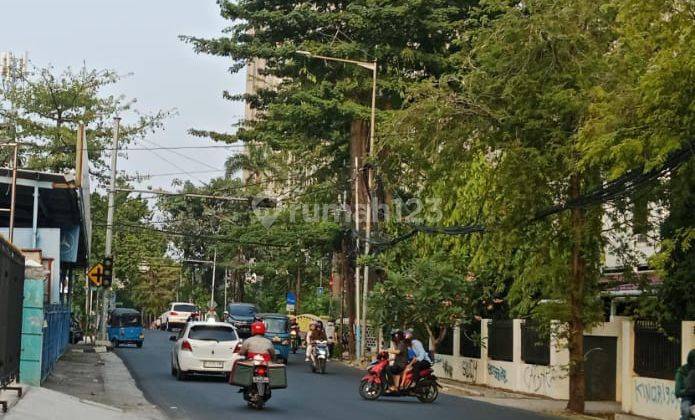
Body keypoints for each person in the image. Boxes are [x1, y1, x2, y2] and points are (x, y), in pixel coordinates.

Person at [676, 349, 695, 420]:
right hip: (687, 398)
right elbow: (677, 392)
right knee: (686, 412)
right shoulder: (682, 371)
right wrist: (689, 391)